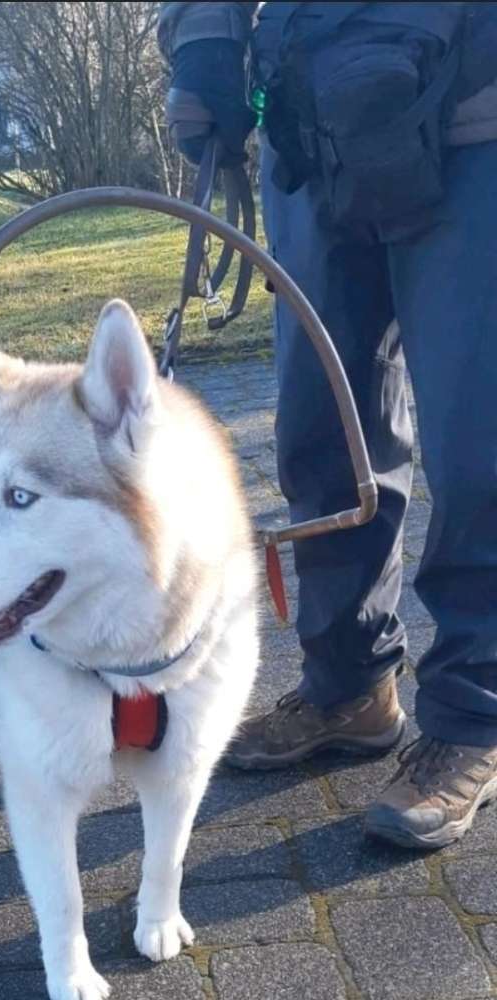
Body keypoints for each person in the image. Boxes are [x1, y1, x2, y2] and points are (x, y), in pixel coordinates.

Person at [158, 1, 497, 849]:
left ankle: (472, 717)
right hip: (312, 117)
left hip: (475, 117)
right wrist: (204, 43)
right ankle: (350, 686)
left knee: (478, 445)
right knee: (321, 433)